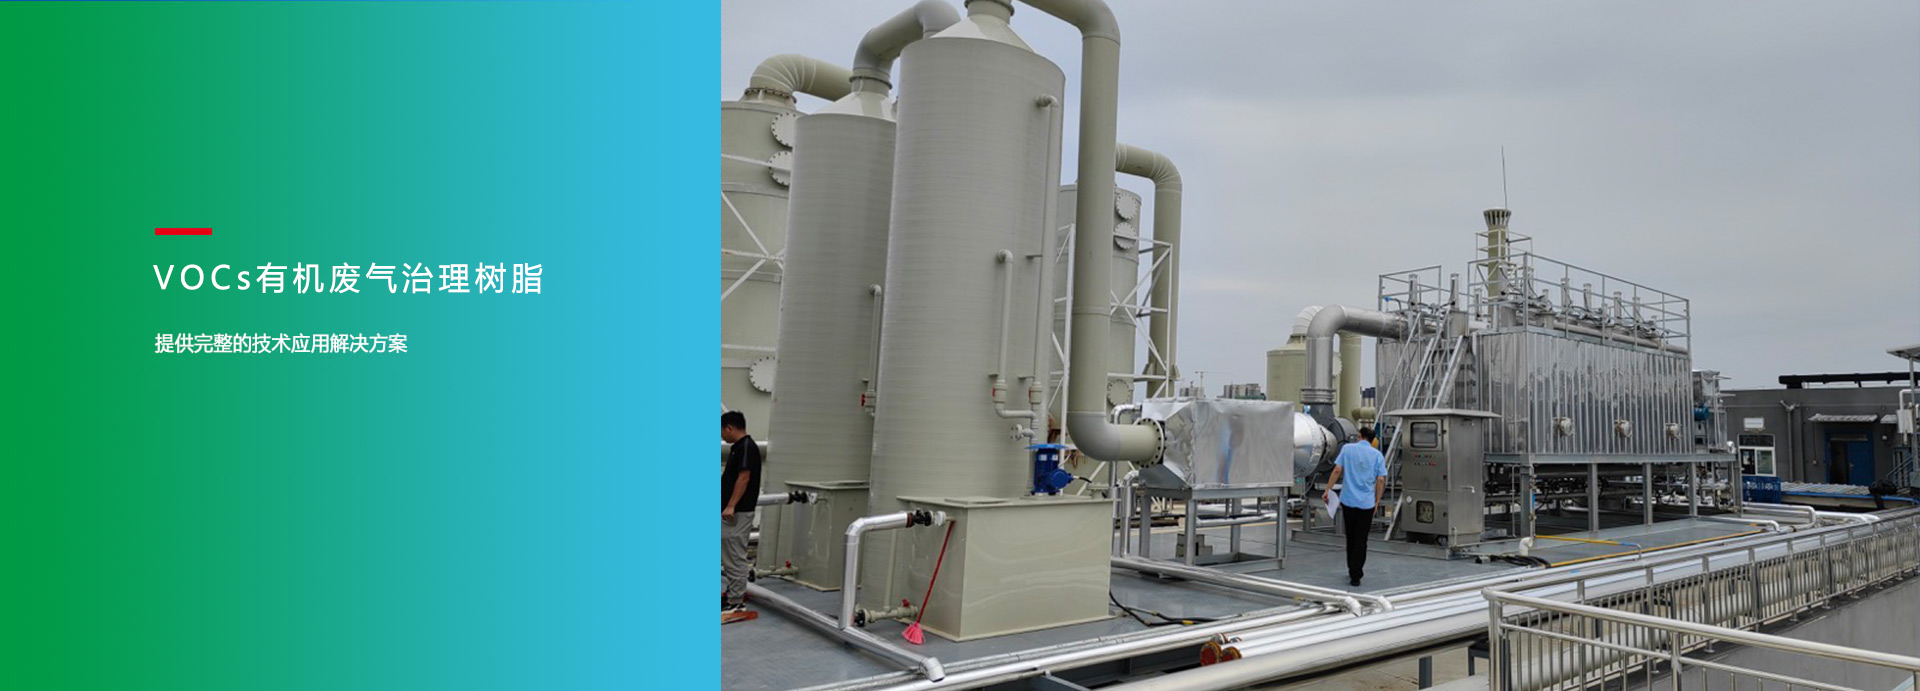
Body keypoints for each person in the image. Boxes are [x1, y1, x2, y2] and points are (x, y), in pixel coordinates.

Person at [1326, 426, 1386, 587]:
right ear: (1372, 440)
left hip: (1348, 500)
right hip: (1366, 503)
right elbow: (1380, 480)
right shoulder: (1377, 455)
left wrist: (1327, 489)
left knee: (1351, 537)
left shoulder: (1347, 449)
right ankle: (1356, 573)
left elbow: (1337, 470)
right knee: (1361, 539)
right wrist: (1377, 501)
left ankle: (1351, 568)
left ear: (1359, 436)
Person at [721, 411, 762, 622]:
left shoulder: (746, 447)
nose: (721, 436)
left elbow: (744, 478)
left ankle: (736, 602)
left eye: (721, 431)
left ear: (729, 428)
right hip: (732, 512)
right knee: (729, 554)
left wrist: (731, 505)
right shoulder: (739, 447)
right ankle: (732, 595)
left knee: (735, 555)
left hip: (738, 512)